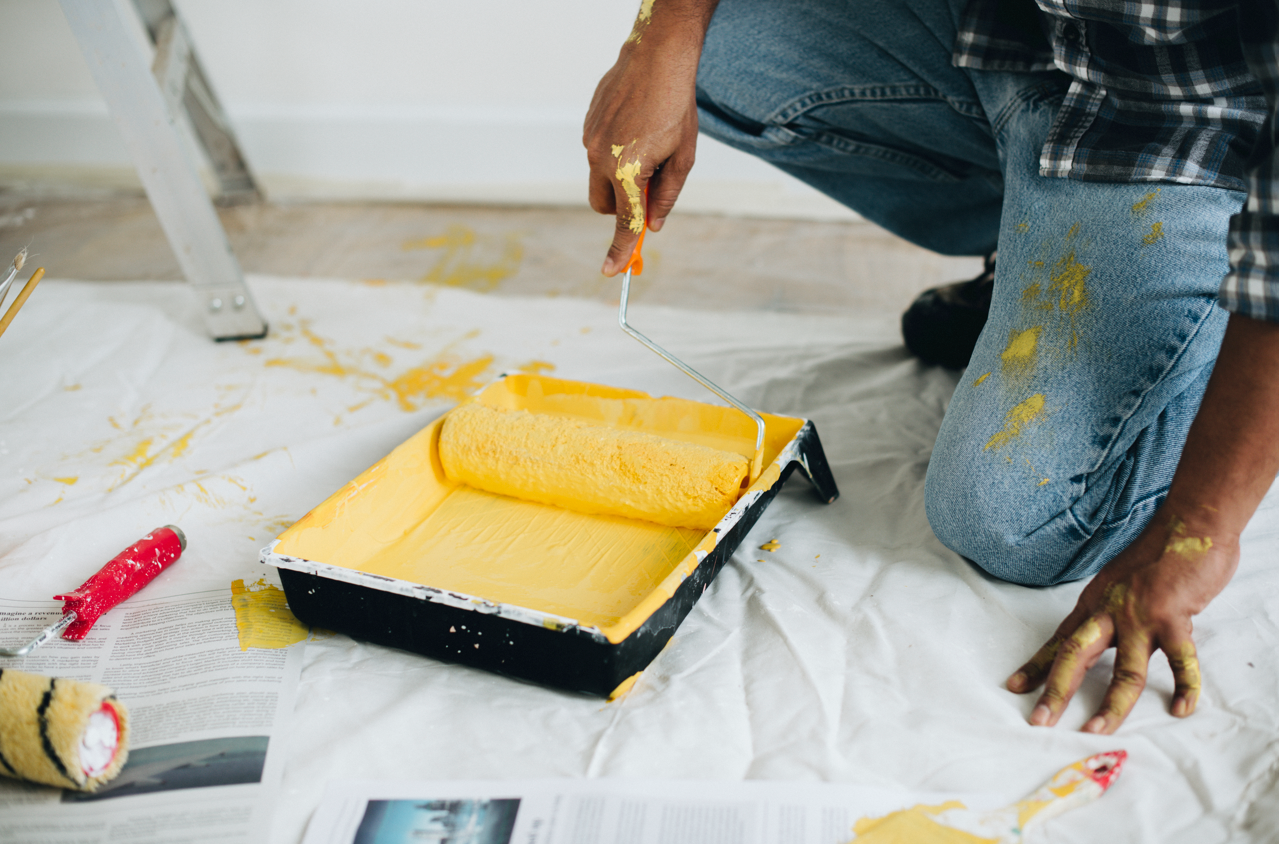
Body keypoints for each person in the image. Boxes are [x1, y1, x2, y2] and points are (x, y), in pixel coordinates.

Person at [582, 0, 1279, 735]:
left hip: (1198, 129)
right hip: (1019, 45)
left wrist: (1198, 528)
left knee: (1016, 521)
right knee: (718, 48)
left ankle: (1203, 318)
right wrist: (655, 39)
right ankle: (1035, 255)